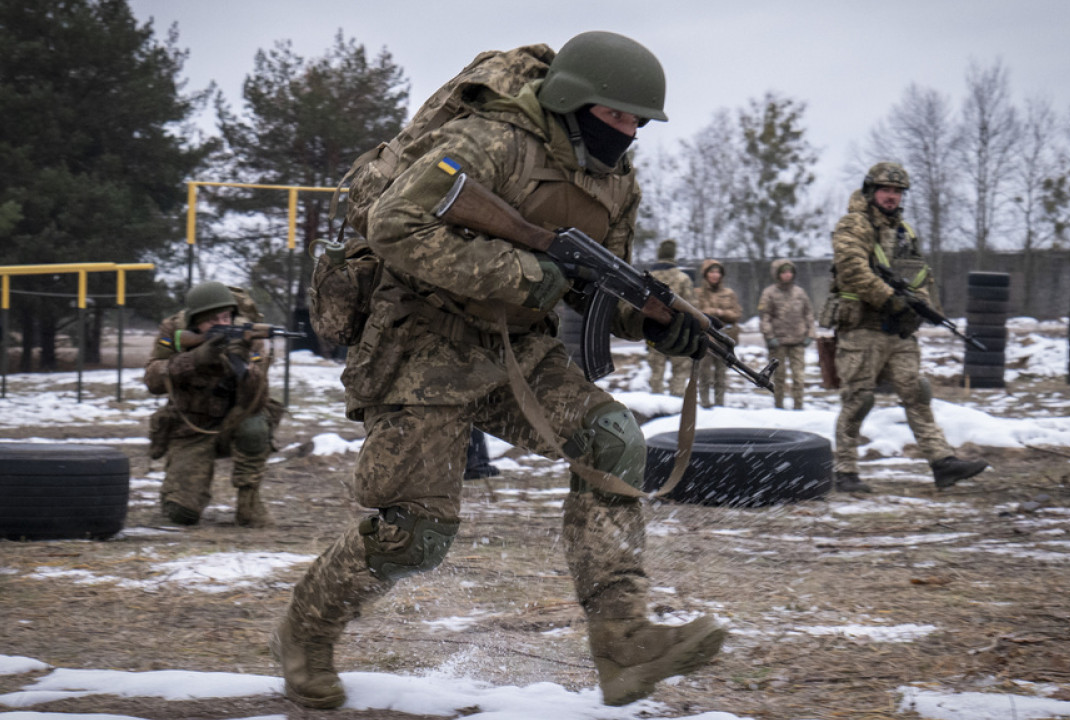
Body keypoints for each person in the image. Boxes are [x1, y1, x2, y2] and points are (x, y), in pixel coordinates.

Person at [270, 31, 724, 710]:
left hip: (516, 350)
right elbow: (396, 223)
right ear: (576, 102)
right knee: (416, 536)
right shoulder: (493, 142)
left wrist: (660, 322)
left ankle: (624, 642)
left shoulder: (616, 182)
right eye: (618, 116)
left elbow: (595, 289)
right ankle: (306, 633)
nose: (630, 133)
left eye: (639, 122)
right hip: (419, 344)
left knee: (613, 439)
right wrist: (523, 272)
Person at [827, 162, 988, 493]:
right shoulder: (853, 225)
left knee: (917, 393)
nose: (892, 197)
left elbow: (918, 275)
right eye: (886, 190)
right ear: (872, 191)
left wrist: (923, 308)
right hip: (861, 330)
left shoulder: (905, 232)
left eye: (898, 192)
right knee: (859, 400)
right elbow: (852, 271)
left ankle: (942, 462)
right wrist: (892, 299)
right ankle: (845, 470)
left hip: (898, 332)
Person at [142, 281, 282, 527]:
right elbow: (153, 380)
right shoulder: (174, 329)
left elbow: (258, 400)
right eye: (213, 320)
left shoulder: (248, 335)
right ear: (196, 321)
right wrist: (194, 358)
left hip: (233, 423)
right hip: (190, 427)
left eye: (226, 317)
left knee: (256, 425)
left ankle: (249, 502)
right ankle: (176, 493)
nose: (222, 324)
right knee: (182, 515)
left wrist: (244, 368)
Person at [758, 259, 815, 410]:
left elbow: (808, 313)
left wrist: (810, 333)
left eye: (790, 272)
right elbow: (765, 317)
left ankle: (798, 406)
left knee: (799, 377)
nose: (787, 275)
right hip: (779, 343)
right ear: (777, 274)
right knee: (779, 377)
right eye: (783, 272)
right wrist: (769, 337)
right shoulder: (769, 293)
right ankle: (779, 407)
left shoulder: (800, 293)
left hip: (798, 341)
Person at [645, 239, 696, 397]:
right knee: (680, 371)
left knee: (656, 372)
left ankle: (655, 407)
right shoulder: (683, 279)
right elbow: (691, 307)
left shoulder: (648, 277)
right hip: (678, 331)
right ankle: (675, 406)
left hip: (653, 330)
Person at [694, 259, 742, 407]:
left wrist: (721, 312)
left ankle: (720, 406)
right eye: (712, 272)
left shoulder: (728, 293)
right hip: (705, 340)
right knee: (704, 374)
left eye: (718, 272)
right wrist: (713, 313)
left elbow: (736, 314)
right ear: (705, 274)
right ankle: (705, 404)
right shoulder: (698, 293)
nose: (715, 275)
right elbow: (695, 313)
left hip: (724, 339)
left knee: (721, 375)